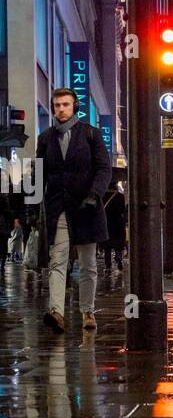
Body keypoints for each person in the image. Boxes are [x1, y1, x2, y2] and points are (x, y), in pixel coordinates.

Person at [37, 87, 111, 333]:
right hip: (58, 207)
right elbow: (39, 174)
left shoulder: (91, 134)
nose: (60, 109)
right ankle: (56, 312)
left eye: (65, 105)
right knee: (57, 261)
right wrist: (33, 208)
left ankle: (87, 311)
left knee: (88, 264)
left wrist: (94, 194)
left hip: (86, 207)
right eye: (57, 105)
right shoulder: (46, 138)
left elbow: (103, 169)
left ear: (75, 106)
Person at [101, 180, 127, 270]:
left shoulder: (102, 196)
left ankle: (108, 266)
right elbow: (123, 210)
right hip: (118, 223)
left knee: (107, 246)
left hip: (106, 223)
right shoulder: (120, 196)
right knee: (118, 243)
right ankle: (118, 257)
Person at [0, 194, 13, 272]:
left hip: (3, 225)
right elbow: (9, 213)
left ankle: (2, 262)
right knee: (4, 244)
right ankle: (2, 262)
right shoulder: (4, 198)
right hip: (4, 225)